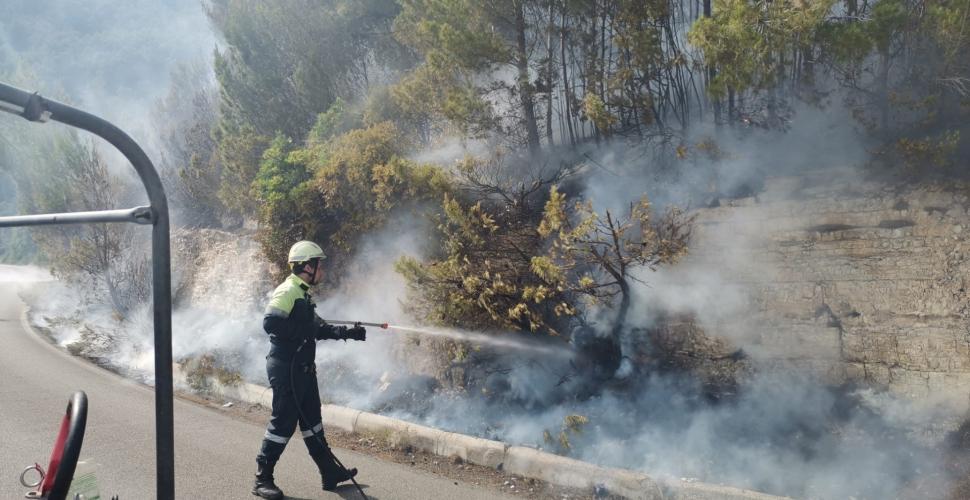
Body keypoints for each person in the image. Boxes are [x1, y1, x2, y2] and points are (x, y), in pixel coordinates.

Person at [253, 240, 366, 499]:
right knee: (282, 424)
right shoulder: (288, 290)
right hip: (286, 369)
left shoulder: (303, 293)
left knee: (313, 423)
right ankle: (262, 480)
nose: (322, 271)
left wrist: (349, 333)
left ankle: (329, 472)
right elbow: (270, 322)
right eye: (319, 265)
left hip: (303, 369)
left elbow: (318, 328)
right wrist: (302, 330)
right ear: (307, 266)